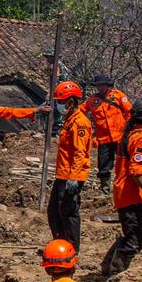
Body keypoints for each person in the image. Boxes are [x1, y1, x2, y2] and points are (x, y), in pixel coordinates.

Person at [102, 96, 142, 276]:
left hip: (125, 193)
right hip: (131, 194)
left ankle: (108, 265)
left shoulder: (132, 133)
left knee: (135, 235)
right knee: (136, 239)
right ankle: (114, 272)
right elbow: (137, 170)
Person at [48, 81, 91, 248]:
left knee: (68, 212)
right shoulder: (69, 120)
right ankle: (60, 243)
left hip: (71, 176)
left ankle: (71, 246)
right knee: (54, 212)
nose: (58, 105)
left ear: (71, 102)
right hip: (63, 174)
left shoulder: (80, 123)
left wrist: (73, 179)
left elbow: (80, 153)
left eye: (60, 102)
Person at [82, 74, 132, 192]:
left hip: (120, 136)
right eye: (98, 85)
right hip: (103, 138)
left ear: (107, 85)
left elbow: (129, 112)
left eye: (102, 85)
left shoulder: (118, 96)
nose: (100, 88)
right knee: (103, 164)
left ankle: (124, 187)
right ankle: (105, 188)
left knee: (124, 162)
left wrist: (127, 130)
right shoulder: (92, 100)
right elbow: (80, 110)